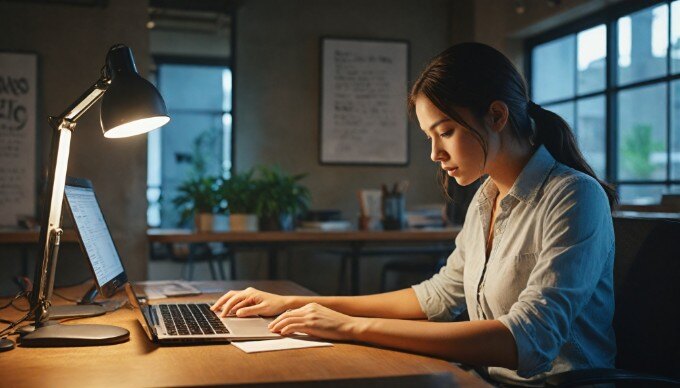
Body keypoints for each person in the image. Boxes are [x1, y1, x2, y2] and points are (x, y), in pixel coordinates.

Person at [211, 42, 617, 386]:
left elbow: (528, 340)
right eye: (430, 137)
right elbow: (437, 297)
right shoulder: (484, 197)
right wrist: (291, 304)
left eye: (445, 132)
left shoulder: (574, 196)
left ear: (496, 116)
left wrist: (348, 326)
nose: (435, 154)